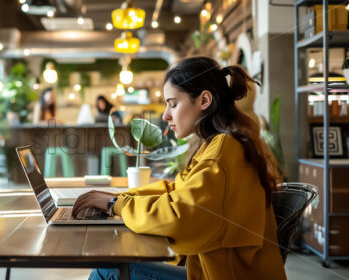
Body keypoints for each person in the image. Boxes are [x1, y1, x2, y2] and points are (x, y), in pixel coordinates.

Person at [72, 57, 287, 280]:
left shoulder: (223, 151)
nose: (166, 115)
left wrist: (115, 204)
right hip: (215, 270)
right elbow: (177, 191)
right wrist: (119, 199)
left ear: (204, 100)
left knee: (109, 270)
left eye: (173, 104)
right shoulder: (221, 144)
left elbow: (180, 216)